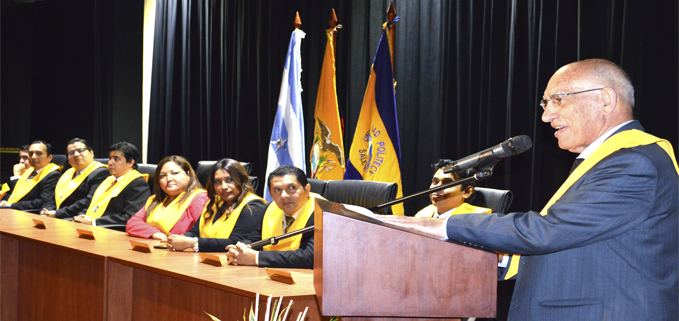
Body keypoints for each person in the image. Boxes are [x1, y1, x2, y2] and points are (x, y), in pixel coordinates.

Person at [373, 59, 678, 320]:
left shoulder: (634, 162)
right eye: (545, 104)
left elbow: (547, 232)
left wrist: (439, 225)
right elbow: (580, 244)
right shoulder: (611, 159)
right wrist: (498, 259)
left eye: (558, 100)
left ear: (606, 100)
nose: (546, 116)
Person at [226, 165, 320, 269]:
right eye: (277, 190)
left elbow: (312, 257)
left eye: (291, 188)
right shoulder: (271, 209)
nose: (284, 195)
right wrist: (239, 249)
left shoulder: (323, 213)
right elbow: (255, 239)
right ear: (270, 193)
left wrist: (257, 257)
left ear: (307, 190)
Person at [165, 159, 266, 252]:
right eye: (217, 182)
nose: (223, 186)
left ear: (242, 181)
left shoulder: (253, 206)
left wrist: (193, 242)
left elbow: (236, 242)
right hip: (207, 260)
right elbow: (195, 231)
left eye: (229, 180)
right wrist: (179, 239)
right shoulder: (215, 202)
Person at [126, 155, 209, 241]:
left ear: (188, 175)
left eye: (175, 173)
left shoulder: (199, 199)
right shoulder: (154, 200)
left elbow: (205, 231)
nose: (169, 179)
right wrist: (154, 233)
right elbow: (132, 223)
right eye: (162, 176)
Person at [73, 141, 151, 227]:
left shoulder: (138, 184)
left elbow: (130, 217)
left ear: (130, 163)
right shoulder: (109, 180)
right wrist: (80, 217)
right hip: (91, 227)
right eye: (110, 158)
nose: (109, 163)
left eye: (116, 159)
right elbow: (92, 205)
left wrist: (94, 222)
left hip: (112, 231)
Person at [40, 138, 110, 218]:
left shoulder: (101, 173)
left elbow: (88, 201)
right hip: (58, 215)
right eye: (71, 153)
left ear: (91, 153)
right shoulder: (68, 173)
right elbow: (53, 197)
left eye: (81, 150)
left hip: (76, 217)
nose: (76, 154)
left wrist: (57, 213)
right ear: (68, 160)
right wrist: (46, 211)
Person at [415, 161, 491, 218]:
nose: (437, 188)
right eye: (435, 182)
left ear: (466, 192)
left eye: (447, 183)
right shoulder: (423, 214)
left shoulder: (477, 220)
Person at [0, 140, 62, 210]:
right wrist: (4, 201)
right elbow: (14, 193)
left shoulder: (53, 175)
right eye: (30, 153)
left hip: (27, 213)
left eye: (39, 153)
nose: (33, 157)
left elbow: (42, 202)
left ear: (49, 157)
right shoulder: (29, 171)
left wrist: (12, 205)